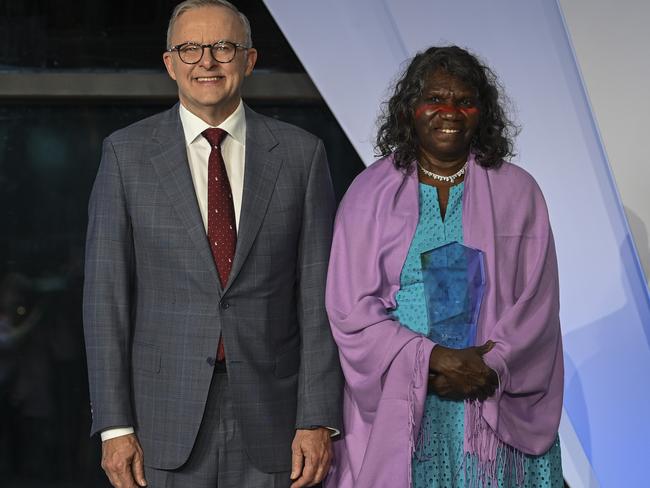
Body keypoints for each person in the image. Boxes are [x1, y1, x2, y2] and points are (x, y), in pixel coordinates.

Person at [83, 1, 342, 487]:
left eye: (223, 47)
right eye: (189, 48)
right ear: (169, 63)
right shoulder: (126, 155)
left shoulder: (301, 155)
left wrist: (317, 417)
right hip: (161, 422)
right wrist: (115, 427)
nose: (206, 61)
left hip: (278, 422)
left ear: (249, 60)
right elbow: (105, 300)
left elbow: (318, 299)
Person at [325, 46, 563, 487]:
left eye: (464, 101)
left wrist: (491, 367)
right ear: (409, 109)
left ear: (482, 113)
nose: (449, 112)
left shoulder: (520, 192)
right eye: (434, 99)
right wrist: (432, 359)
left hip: (491, 397)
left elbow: (539, 306)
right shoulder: (366, 194)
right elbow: (349, 311)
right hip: (405, 403)